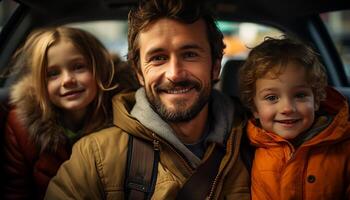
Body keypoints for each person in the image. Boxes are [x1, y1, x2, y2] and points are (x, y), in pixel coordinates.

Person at [45, 0, 251, 199]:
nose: (175, 74)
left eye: (189, 54)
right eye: (158, 58)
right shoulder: (94, 157)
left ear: (215, 66)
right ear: (139, 73)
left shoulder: (262, 144)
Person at [3, 26, 122, 199]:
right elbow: (15, 191)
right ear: (39, 83)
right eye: (52, 74)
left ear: (100, 69)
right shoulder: (20, 126)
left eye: (79, 67)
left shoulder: (125, 117)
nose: (67, 80)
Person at [239, 37, 350, 199]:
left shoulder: (344, 149)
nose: (287, 108)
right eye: (271, 98)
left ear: (316, 100)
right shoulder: (248, 153)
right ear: (255, 109)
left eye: (300, 95)